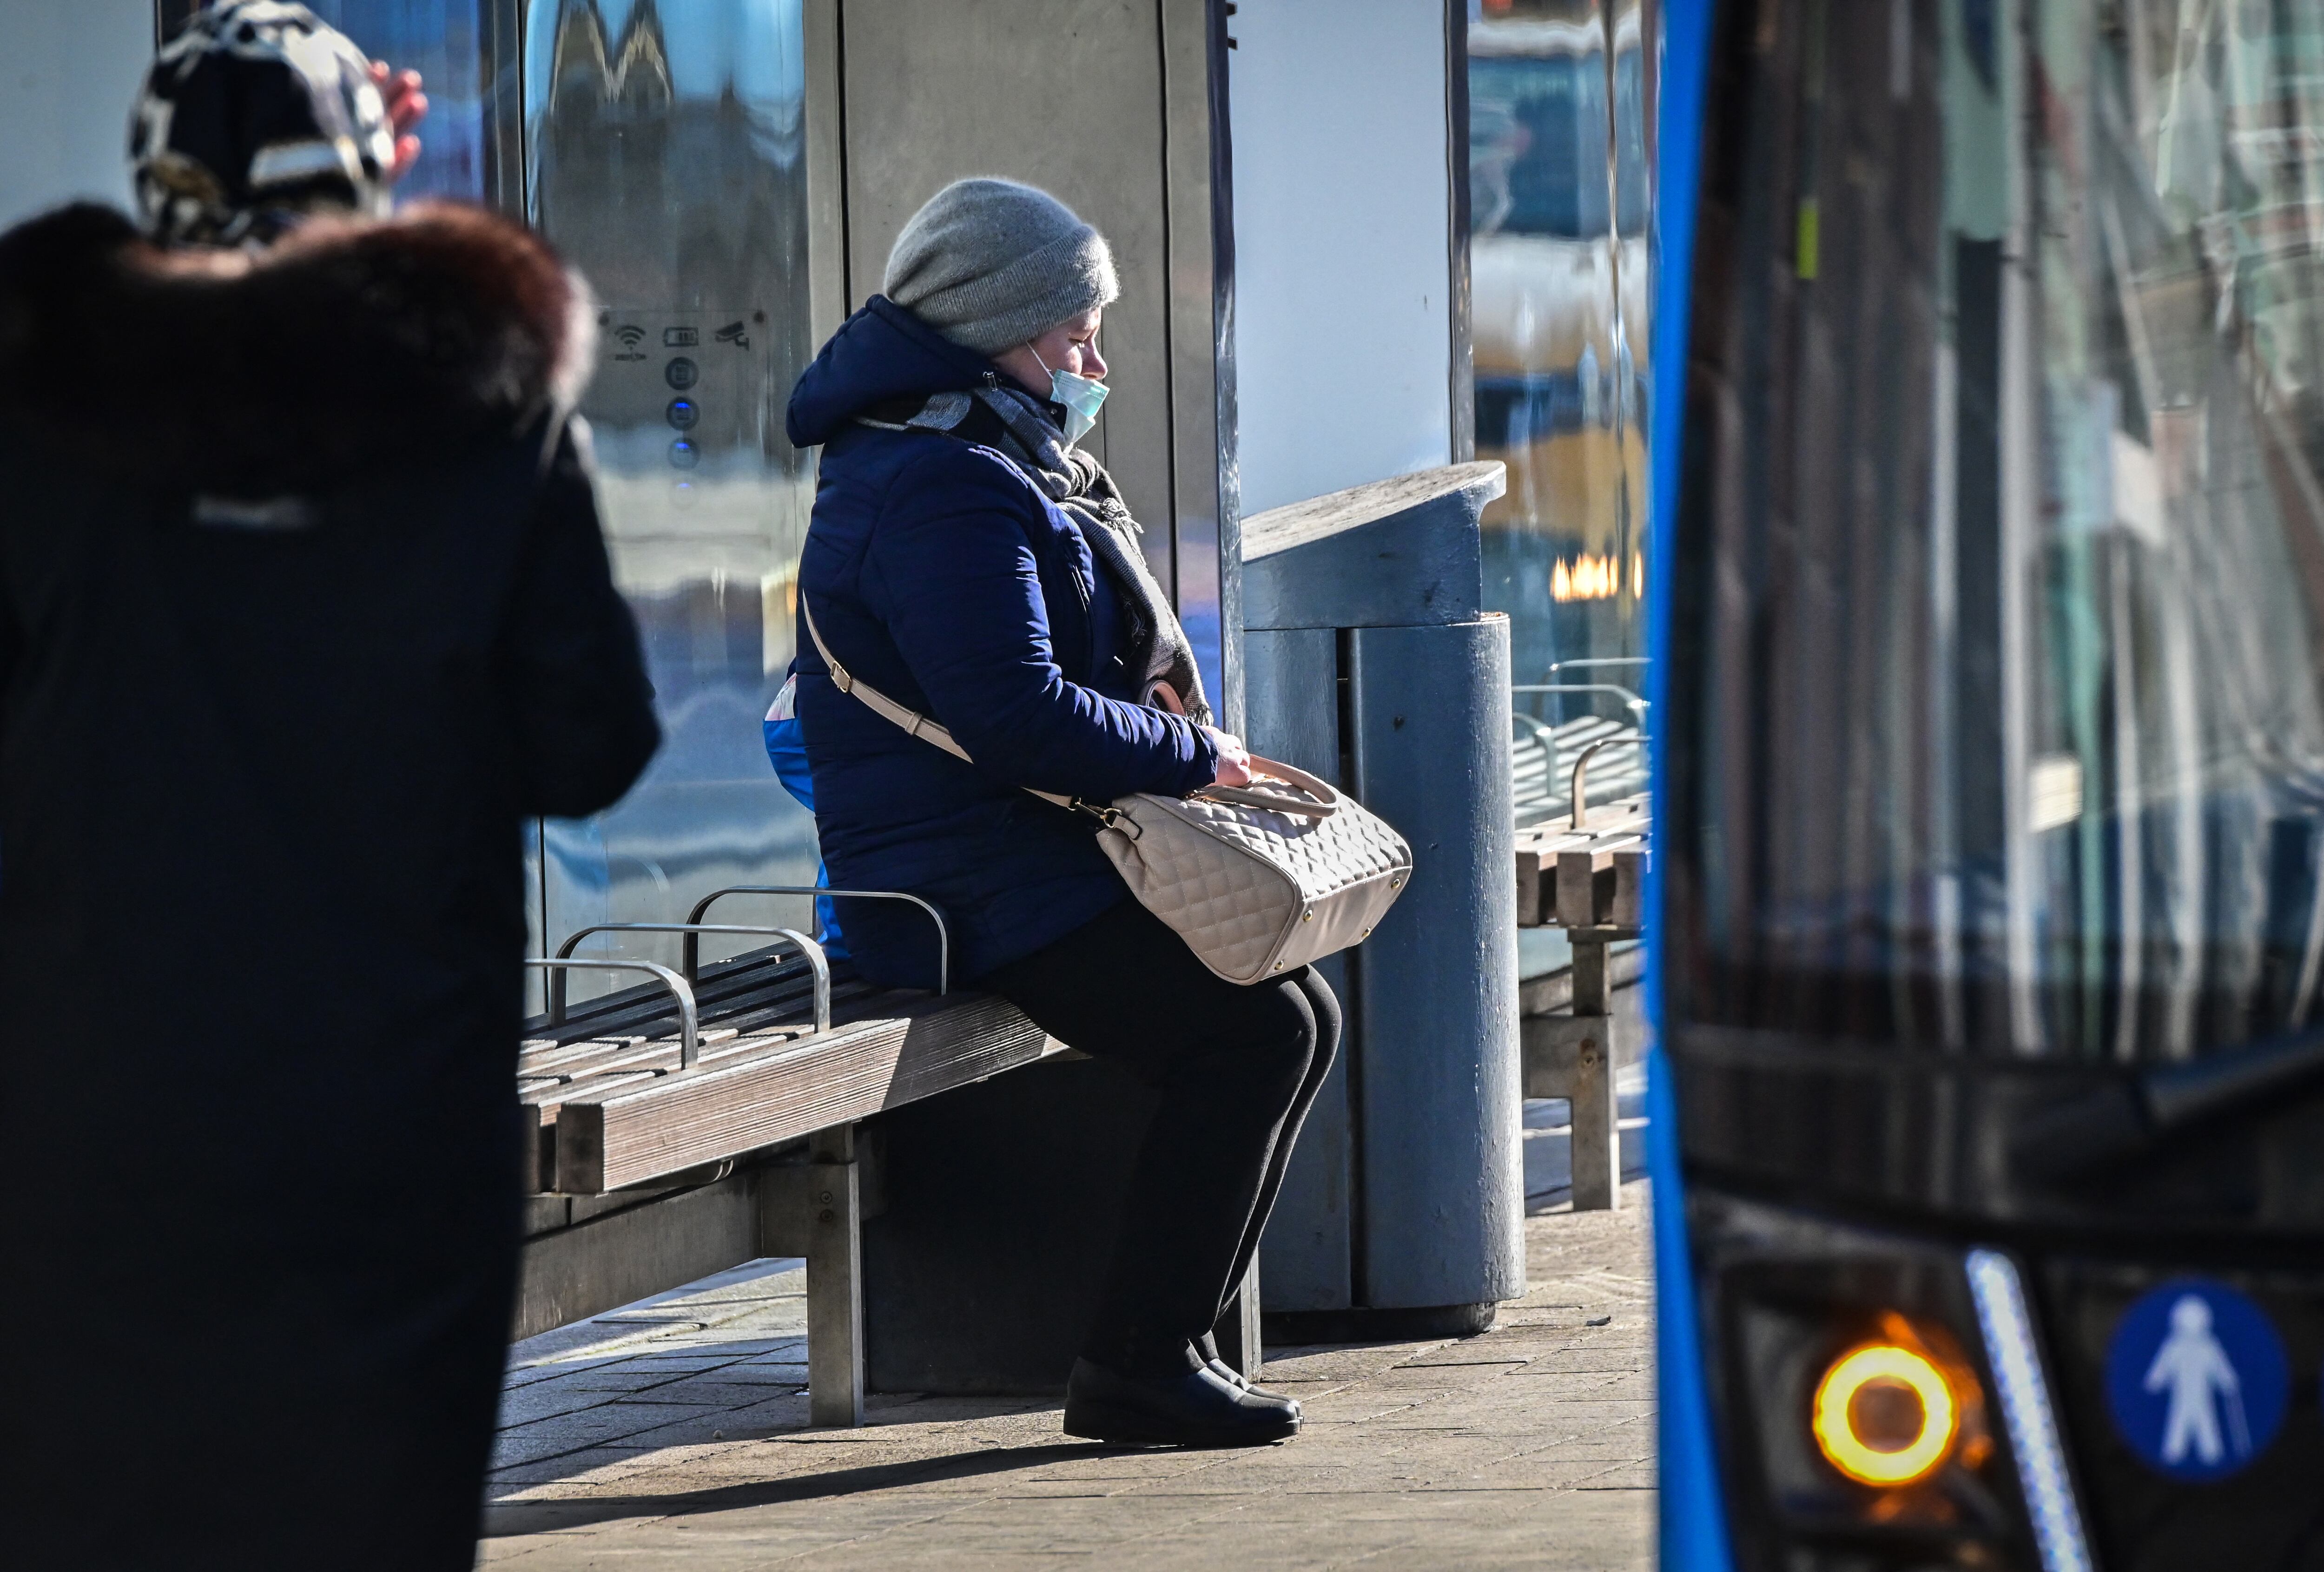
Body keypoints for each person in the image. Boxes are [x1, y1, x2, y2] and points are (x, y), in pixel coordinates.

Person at [0, 6, 659, 1567]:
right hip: (384, 1107)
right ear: (370, 177)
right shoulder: (479, 415)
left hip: (81, 1097)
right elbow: (594, 742)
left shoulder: (34, 420)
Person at [787, 177, 1337, 1447]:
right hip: (961, 881)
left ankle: (1165, 1343)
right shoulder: (940, 482)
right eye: (1074, 333)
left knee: (1286, 1015)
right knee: (1249, 1035)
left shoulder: (974, 451)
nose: (1095, 362)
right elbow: (1019, 717)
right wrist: (1198, 760)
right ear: (996, 328)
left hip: (1017, 846)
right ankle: (1140, 1361)